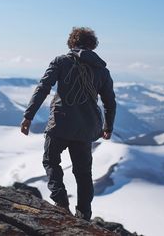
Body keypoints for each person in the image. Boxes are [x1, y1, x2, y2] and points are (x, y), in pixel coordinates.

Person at [20, 27, 116, 221]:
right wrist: (108, 126)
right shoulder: (102, 71)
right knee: (83, 174)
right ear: (92, 45)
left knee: (51, 161)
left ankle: (61, 202)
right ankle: (84, 216)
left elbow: (43, 88)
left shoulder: (61, 62)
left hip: (60, 123)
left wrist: (28, 115)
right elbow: (109, 101)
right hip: (86, 128)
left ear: (72, 43)